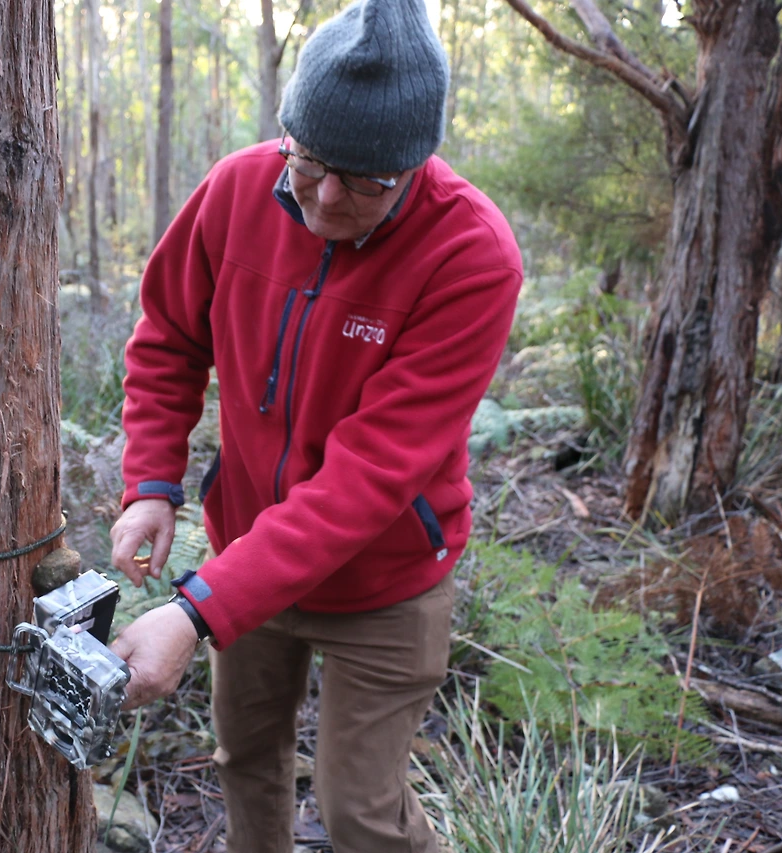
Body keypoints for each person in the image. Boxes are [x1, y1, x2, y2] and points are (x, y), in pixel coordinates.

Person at [105, 0, 523, 850]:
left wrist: (193, 613)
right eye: (312, 164)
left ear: (415, 164)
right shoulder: (234, 192)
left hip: (386, 584)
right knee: (245, 757)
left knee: (360, 810)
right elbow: (169, 338)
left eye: (368, 180)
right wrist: (153, 481)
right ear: (288, 131)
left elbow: (366, 478)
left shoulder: (471, 255)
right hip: (249, 553)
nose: (329, 198)